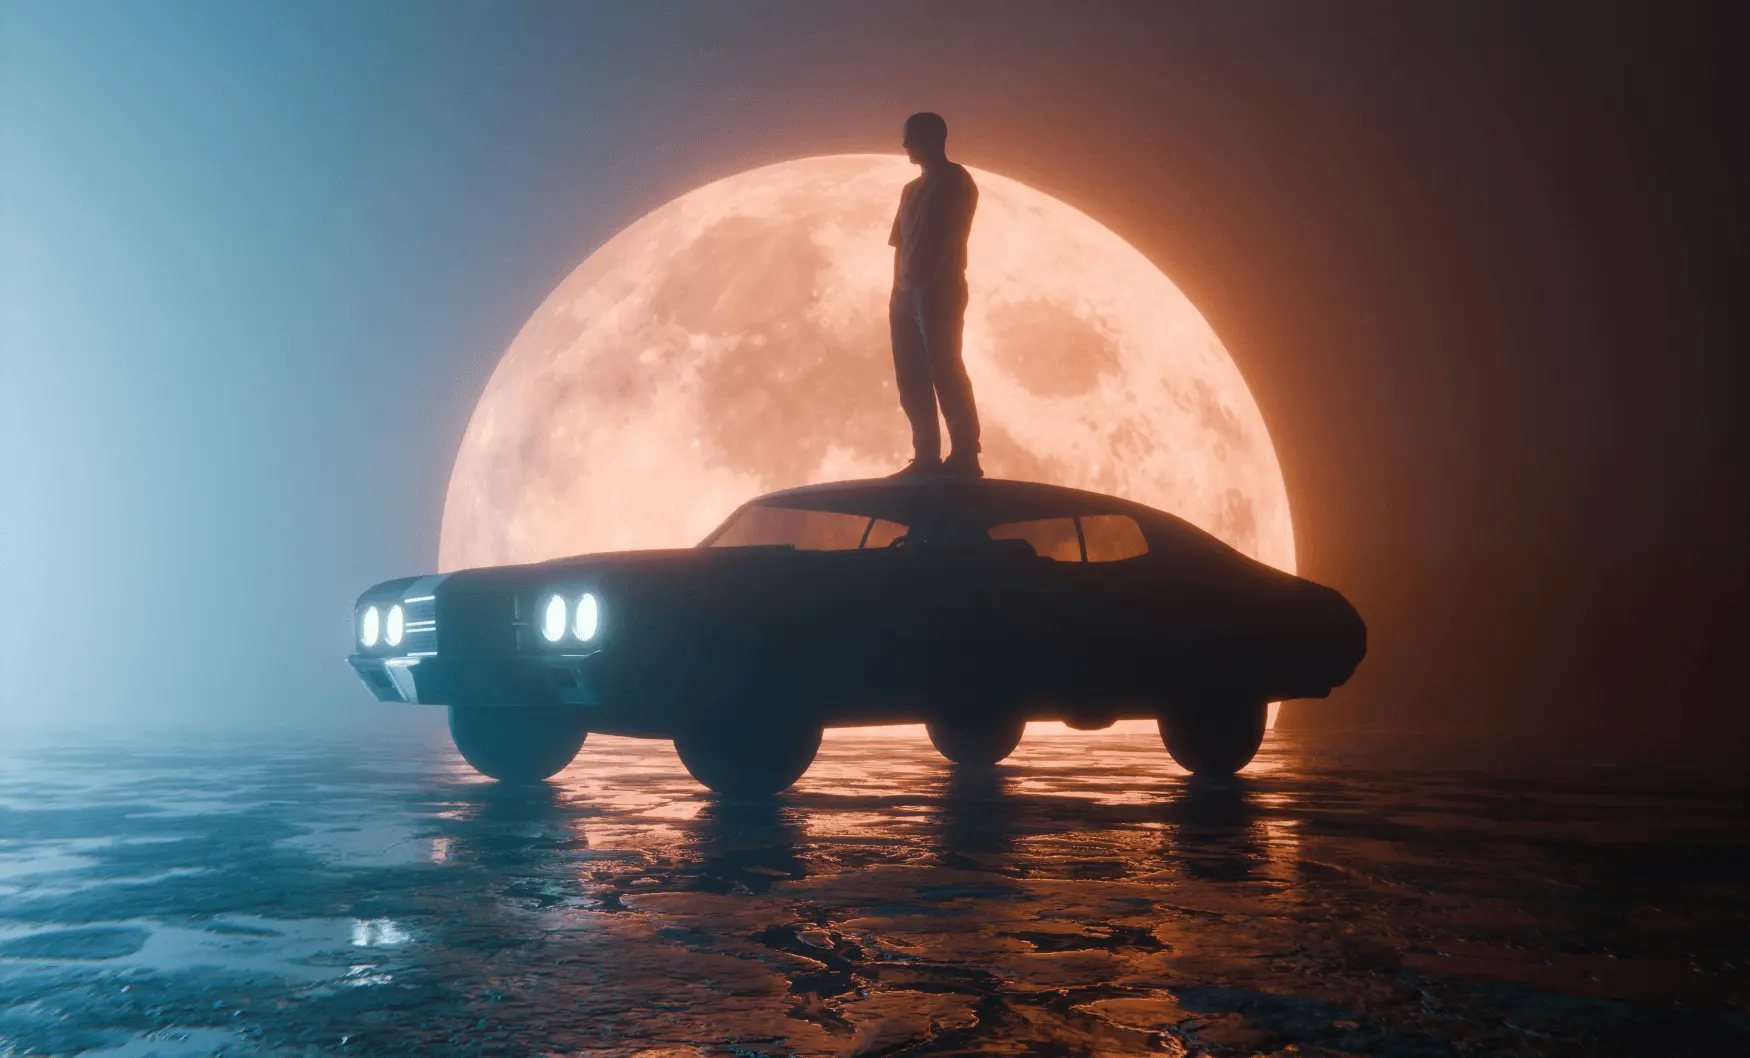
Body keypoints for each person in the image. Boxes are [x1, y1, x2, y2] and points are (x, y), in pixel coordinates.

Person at [888, 112, 982, 478]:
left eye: (909, 137)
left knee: (944, 368)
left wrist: (931, 285)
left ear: (932, 138)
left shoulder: (956, 181)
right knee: (910, 375)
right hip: (905, 293)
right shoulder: (910, 190)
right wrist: (898, 291)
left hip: (939, 290)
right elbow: (899, 243)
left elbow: (950, 237)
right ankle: (925, 456)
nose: (904, 145)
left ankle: (965, 454)